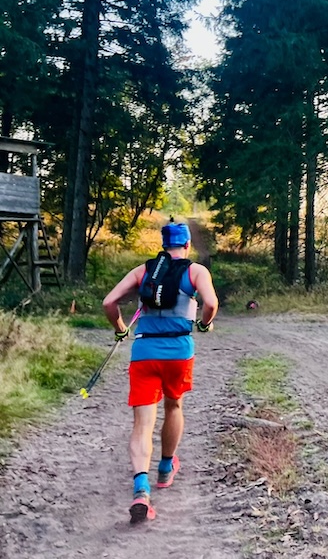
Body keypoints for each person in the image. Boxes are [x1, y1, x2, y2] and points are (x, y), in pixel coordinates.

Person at [102, 220, 218, 524]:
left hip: (144, 353)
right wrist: (204, 324)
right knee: (174, 405)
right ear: (187, 245)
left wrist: (121, 329)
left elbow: (109, 302)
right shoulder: (196, 272)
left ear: (163, 244)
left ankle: (141, 489)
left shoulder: (144, 271)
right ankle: (166, 468)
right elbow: (211, 303)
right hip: (178, 352)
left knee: (142, 423)